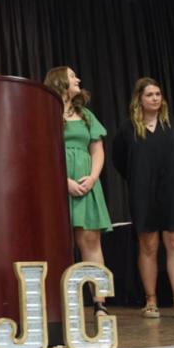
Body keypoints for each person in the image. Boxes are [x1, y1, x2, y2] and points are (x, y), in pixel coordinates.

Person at [113, 77, 174, 319]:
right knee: (148, 245)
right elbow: (120, 161)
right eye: (149, 95)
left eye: (158, 94)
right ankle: (151, 300)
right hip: (142, 193)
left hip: (172, 191)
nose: (155, 98)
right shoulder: (128, 129)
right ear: (139, 99)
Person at [44, 66, 112, 317]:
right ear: (60, 81)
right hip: (57, 186)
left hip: (86, 185)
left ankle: (99, 303)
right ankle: (63, 306)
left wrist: (92, 178)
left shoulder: (86, 115)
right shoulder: (46, 114)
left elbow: (97, 150)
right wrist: (63, 181)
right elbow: (41, 153)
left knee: (91, 241)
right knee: (60, 244)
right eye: (73, 76)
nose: (78, 80)